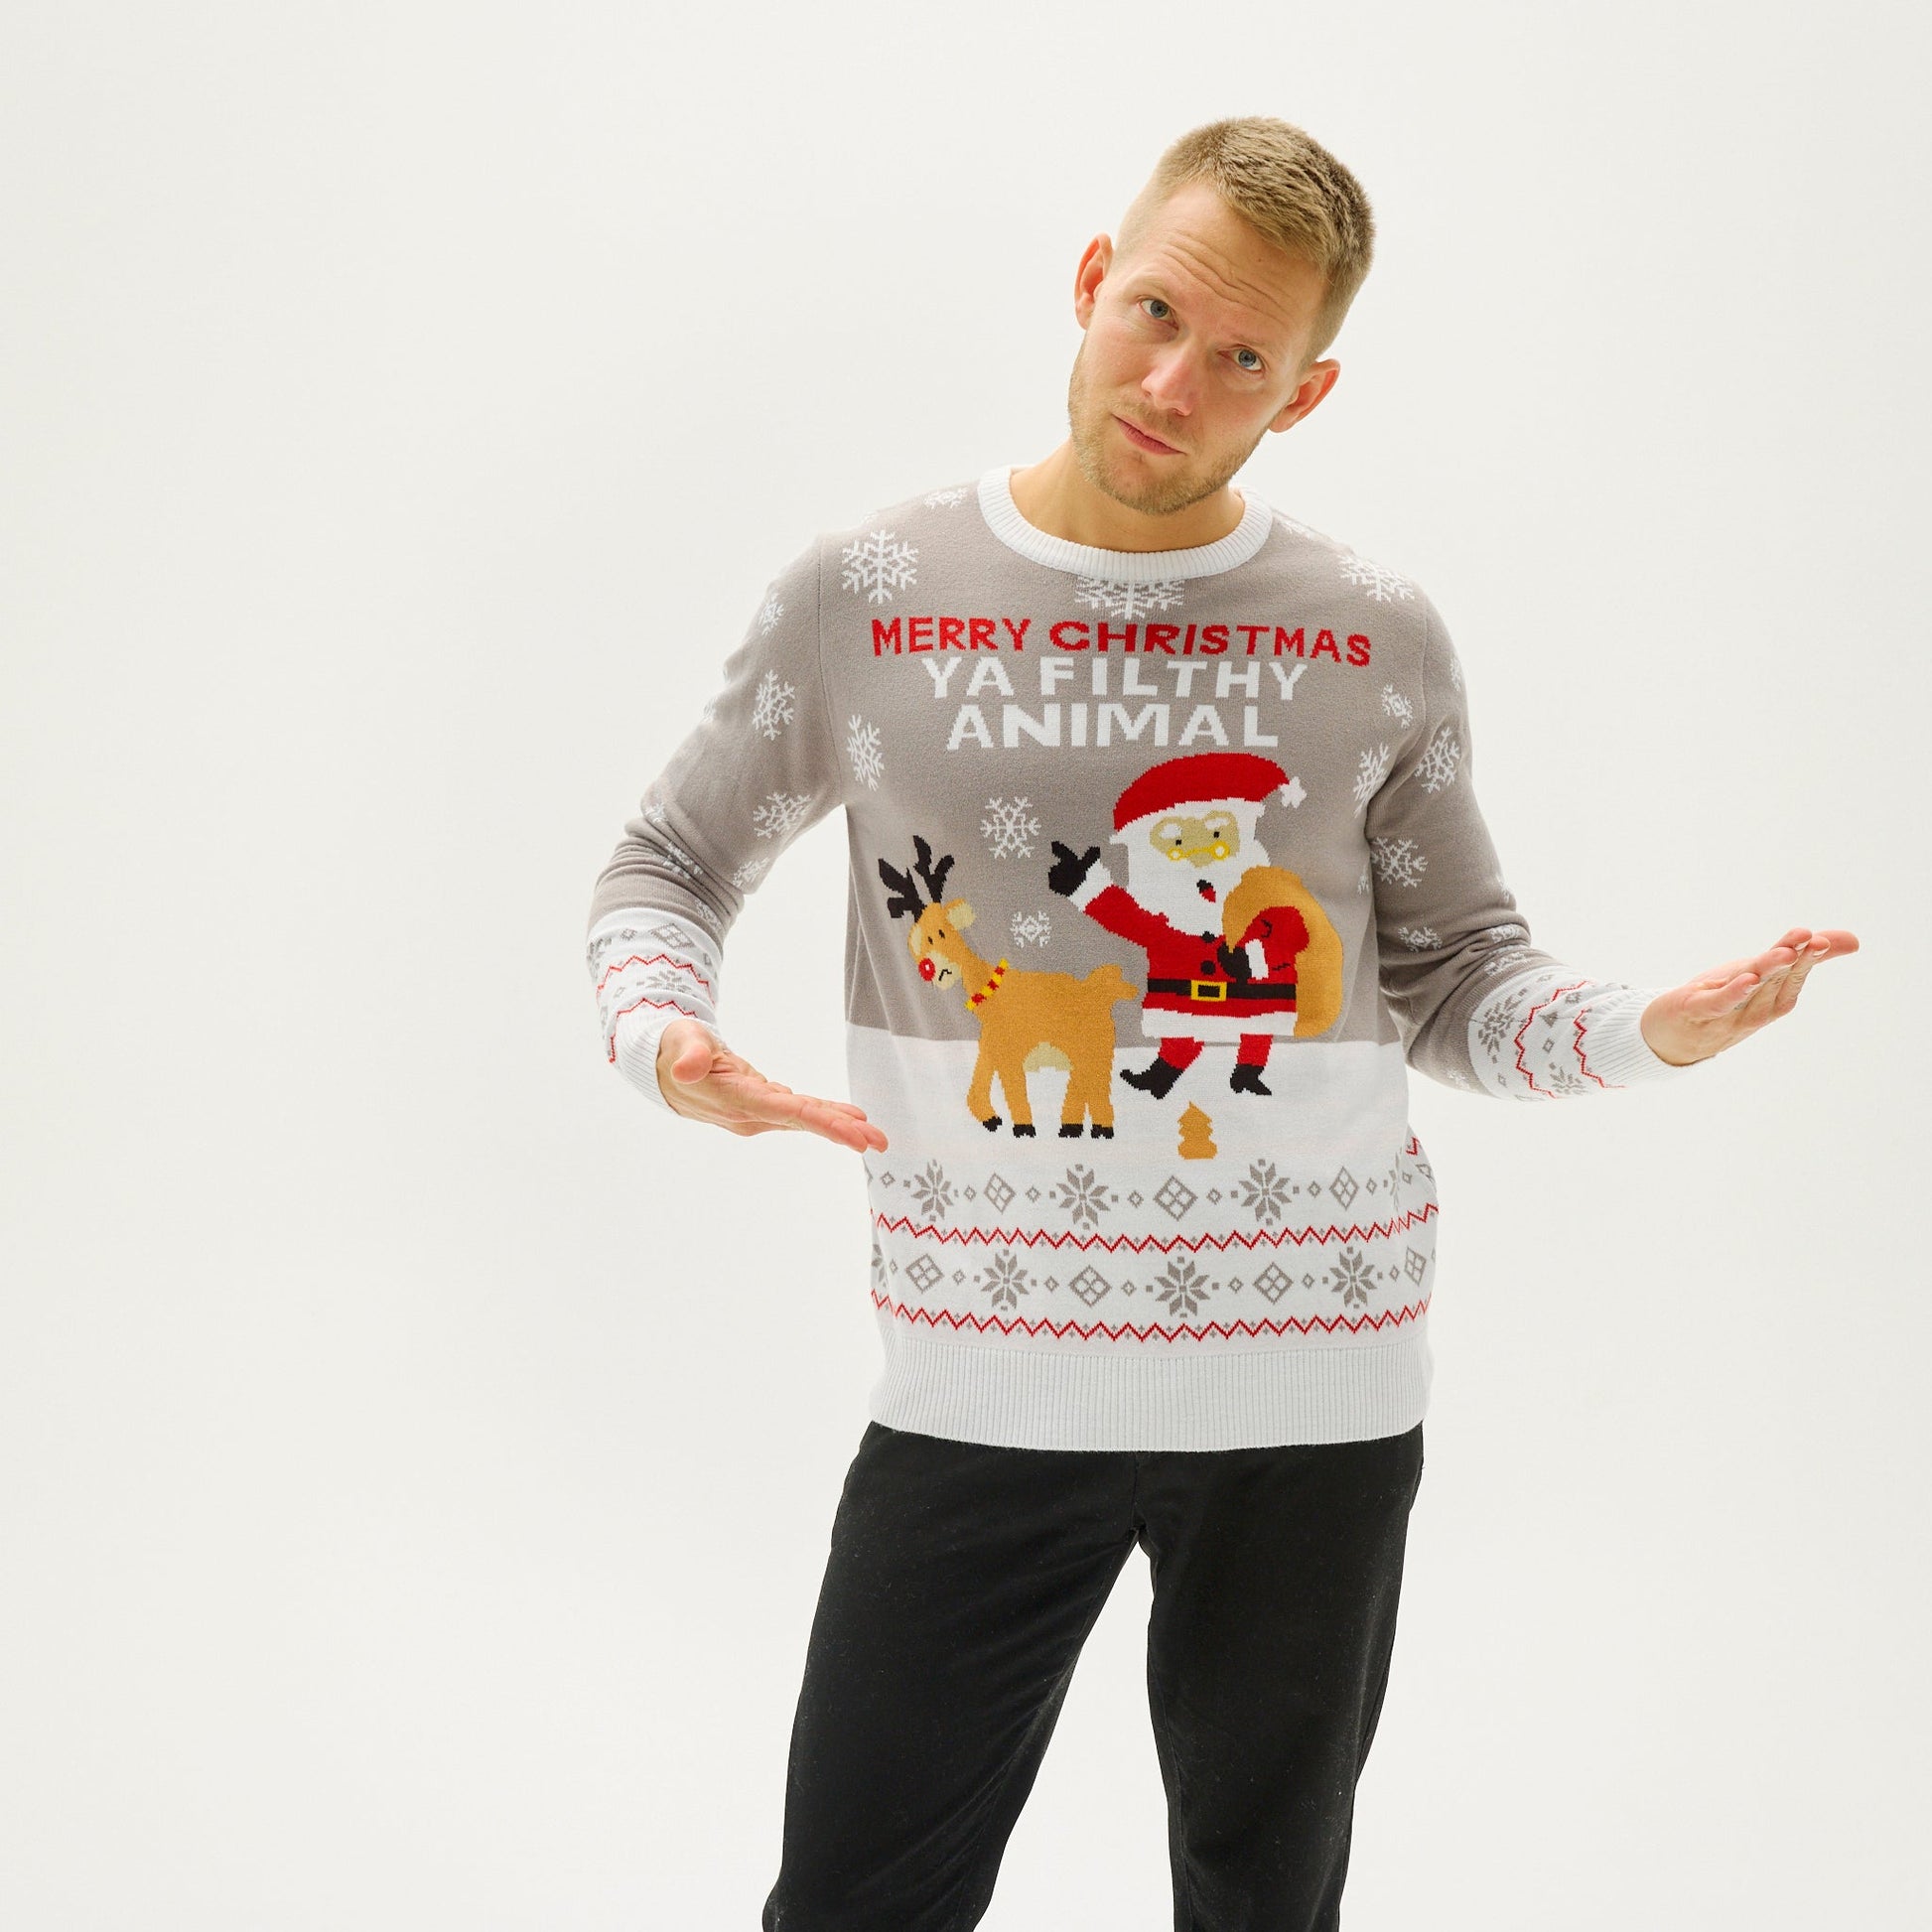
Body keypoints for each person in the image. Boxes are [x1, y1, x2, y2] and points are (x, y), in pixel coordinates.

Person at [584, 116, 1857, 1932]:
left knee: (1265, 1905)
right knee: (856, 1896)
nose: (1175, 381)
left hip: (1315, 1393)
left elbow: (1457, 978)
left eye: (1242, 357)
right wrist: (663, 1035)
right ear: (1092, 281)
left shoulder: (1369, 635)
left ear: (1306, 390)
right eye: (1157, 314)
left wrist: (1648, 1026)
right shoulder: (870, 594)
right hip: (981, 1375)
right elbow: (666, 864)